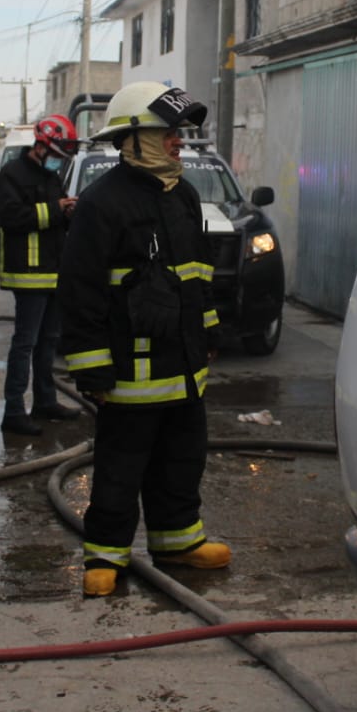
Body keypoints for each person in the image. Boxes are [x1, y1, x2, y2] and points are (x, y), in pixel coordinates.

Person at [57, 82, 231, 597]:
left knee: (183, 458)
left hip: (183, 365)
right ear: (134, 139)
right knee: (119, 465)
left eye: (179, 133)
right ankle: (105, 554)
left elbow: (198, 273)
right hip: (130, 373)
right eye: (168, 132)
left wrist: (211, 329)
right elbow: (80, 290)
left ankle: (178, 541)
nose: (179, 142)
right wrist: (89, 365)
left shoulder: (184, 195)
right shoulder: (100, 203)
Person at [0, 115, 80, 436]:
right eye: (57, 155)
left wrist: (69, 213)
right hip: (28, 274)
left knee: (48, 342)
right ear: (41, 146)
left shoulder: (51, 177)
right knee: (25, 343)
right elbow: (12, 217)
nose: (59, 162)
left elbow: (55, 217)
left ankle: (45, 402)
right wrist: (57, 209)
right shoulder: (10, 175)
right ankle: (14, 411)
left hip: (54, 272)